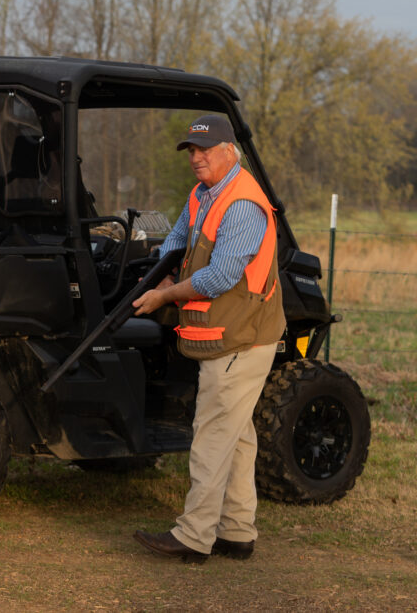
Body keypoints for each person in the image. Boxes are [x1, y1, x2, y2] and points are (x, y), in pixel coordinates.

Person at [130, 114, 285, 563]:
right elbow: (177, 240)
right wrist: (154, 274)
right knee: (236, 436)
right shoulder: (203, 194)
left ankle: (193, 536)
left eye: (204, 150)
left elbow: (219, 277)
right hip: (229, 335)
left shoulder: (242, 204)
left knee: (213, 434)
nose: (196, 158)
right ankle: (236, 532)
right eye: (192, 150)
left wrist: (164, 296)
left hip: (242, 337)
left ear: (229, 152)